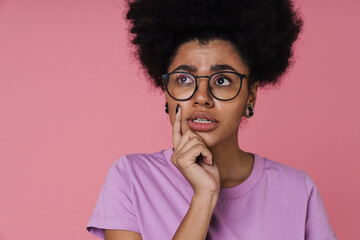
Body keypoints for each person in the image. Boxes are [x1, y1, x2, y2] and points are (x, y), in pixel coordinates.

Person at [86, 0, 337, 239]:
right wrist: (203, 196)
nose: (202, 98)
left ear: (250, 95)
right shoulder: (131, 177)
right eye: (184, 79)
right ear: (165, 91)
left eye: (222, 80)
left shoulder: (297, 190)